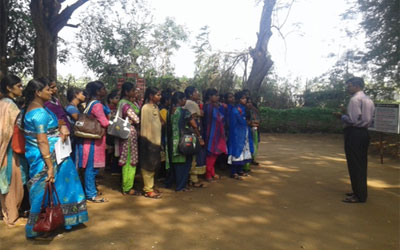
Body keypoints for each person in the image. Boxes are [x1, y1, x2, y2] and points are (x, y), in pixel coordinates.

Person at [22, 78, 88, 238]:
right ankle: (38, 225)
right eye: (47, 89)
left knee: (57, 188)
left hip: (55, 154)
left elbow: (52, 125)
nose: (51, 91)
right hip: (49, 158)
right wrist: (49, 166)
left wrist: (62, 127)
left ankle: (60, 220)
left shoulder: (38, 108)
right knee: (43, 189)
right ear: (38, 93)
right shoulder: (38, 113)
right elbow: (42, 140)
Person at [340, 77, 375, 203]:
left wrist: (342, 116)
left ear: (356, 86)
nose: (347, 88)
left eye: (349, 86)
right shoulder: (368, 99)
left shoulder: (355, 100)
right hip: (363, 134)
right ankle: (359, 191)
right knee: (360, 164)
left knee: (354, 164)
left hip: (354, 134)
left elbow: (353, 120)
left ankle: (359, 196)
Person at [0, 74, 28, 227]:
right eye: (19, 86)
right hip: (10, 150)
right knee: (12, 183)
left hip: (6, 148)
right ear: (8, 88)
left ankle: (9, 212)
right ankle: (11, 216)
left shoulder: (3, 103)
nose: (21, 88)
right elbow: (9, 131)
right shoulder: (10, 106)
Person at [165, 92, 204, 191]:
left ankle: (171, 183)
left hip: (171, 141)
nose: (185, 101)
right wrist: (199, 137)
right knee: (185, 163)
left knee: (175, 164)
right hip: (183, 141)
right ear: (180, 100)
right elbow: (194, 125)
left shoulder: (170, 112)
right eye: (184, 99)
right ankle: (181, 186)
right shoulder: (184, 112)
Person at [79, 81, 109, 203]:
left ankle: (90, 191)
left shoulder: (90, 104)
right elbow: (105, 122)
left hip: (88, 140)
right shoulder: (97, 105)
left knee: (89, 167)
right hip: (93, 143)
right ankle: (91, 194)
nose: (105, 91)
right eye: (103, 89)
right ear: (98, 91)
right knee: (91, 168)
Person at [117, 82, 140, 195]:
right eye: (133, 91)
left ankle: (127, 184)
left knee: (129, 158)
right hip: (129, 133)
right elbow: (136, 119)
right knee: (129, 159)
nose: (135, 92)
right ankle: (127, 187)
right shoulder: (125, 104)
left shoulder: (129, 102)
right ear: (126, 92)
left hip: (128, 132)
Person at [140, 87, 162, 198]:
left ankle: (151, 186)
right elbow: (145, 126)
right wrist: (147, 140)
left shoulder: (155, 107)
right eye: (157, 94)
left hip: (156, 141)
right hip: (149, 141)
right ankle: (148, 189)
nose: (160, 97)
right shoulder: (145, 108)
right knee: (148, 164)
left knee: (154, 164)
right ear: (150, 96)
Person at [183, 86, 207, 188]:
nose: (197, 94)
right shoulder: (191, 104)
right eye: (196, 92)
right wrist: (199, 136)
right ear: (190, 94)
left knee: (191, 155)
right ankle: (193, 179)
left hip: (188, 133)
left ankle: (191, 178)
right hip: (193, 133)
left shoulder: (188, 103)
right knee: (194, 155)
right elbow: (193, 121)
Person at [202, 88, 227, 182]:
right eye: (215, 95)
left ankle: (211, 172)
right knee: (211, 154)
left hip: (215, 133)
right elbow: (219, 118)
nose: (218, 97)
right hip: (211, 134)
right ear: (210, 96)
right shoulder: (209, 107)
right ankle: (208, 174)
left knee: (214, 154)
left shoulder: (213, 106)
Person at [228, 91, 254, 180]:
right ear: (239, 99)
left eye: (245, 98)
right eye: (243, 98)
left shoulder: (244, 108)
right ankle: (233, 172)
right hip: (237, 133)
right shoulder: (235, 109)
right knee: (236, 151)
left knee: (243, 150)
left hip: (244, 132)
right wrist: (246, 122)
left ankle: (240, 170)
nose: (245, 100)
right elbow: (239, 120)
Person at [65, 87, 86, 163]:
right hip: (72, 137)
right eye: (82, 94)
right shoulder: (71, 108)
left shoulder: (76, 107)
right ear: (76, 95)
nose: (84, 96)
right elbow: (79, 119)